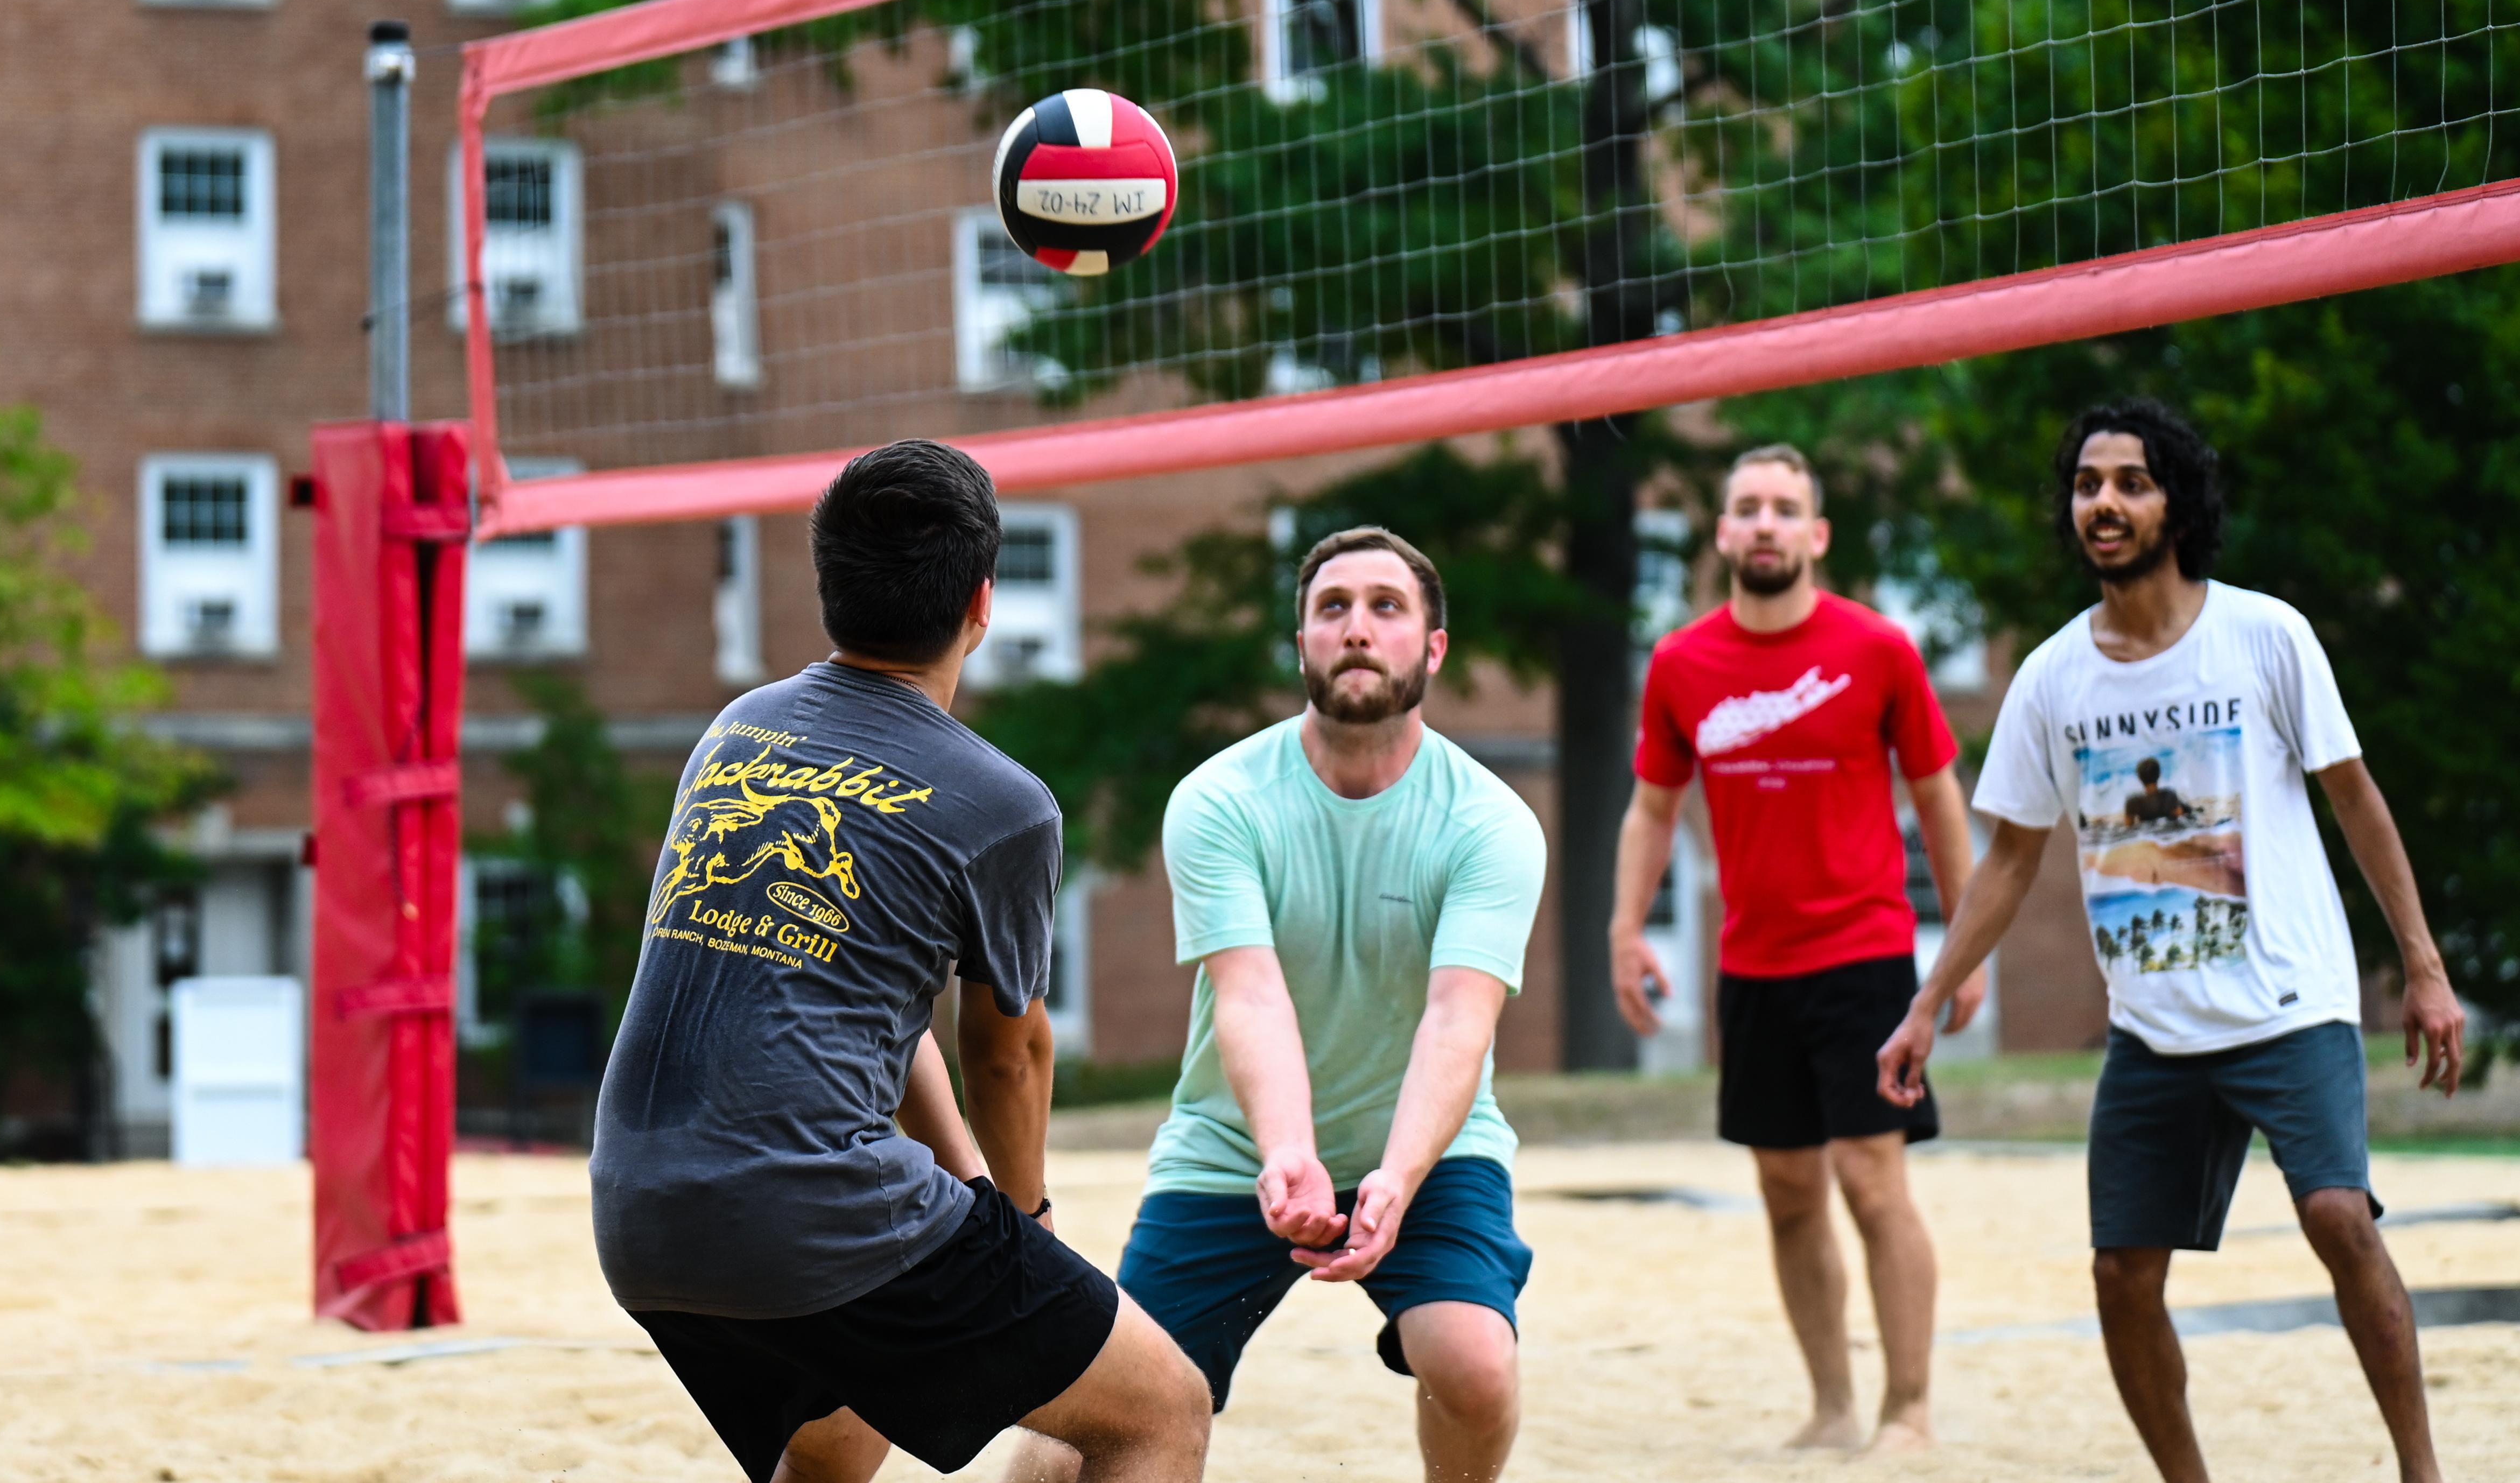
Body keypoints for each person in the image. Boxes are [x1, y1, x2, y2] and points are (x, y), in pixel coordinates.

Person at [589, 439, 1210, 1483]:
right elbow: (1006, 1053)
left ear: (827, 585)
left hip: (640, 1211)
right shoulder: (1002, 801)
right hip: (806, 1211)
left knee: (839, 1435)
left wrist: (966, 1189)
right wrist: (1024, 1228)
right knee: (1160, 1410)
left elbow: (872, 1001)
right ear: (981, 601)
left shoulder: (736, 732)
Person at [1878, 397, 2466, 1483]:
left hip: (2288, 1003)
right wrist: (1925, 1001)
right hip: (2152, 1028)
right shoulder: (2052, 677)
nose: (2102, 501)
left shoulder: (2263, 635)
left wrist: (2423, 968)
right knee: (2117, 1270)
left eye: (2129, 481)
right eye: (2087, 483)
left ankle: (2419, 1469)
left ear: (2175, 502)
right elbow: (2007, 857)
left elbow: (2354, 798)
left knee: (2337, 1213)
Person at [1014, 527, 1546, 1483]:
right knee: (1084, 1422)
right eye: (1331, 608)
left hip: (1429, 1148)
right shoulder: (1220, 799)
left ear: (1432, 649)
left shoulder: (1490, 820)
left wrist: (1394, 1173)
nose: (1356, 629)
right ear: (1299, 643)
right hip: (1233, 1150)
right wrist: (1289, 1155)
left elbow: (1458, 1020)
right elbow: (1250, 996)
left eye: (1387, 608)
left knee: (1474, 1367)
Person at [1609, 442, 1983, 1454]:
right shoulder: (1681, 664)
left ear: (1815, 536)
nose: (1765, 524)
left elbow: (1938, 794)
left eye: (1784, 508)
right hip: (1751, 966)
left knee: (1871, 1180)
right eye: (1747, 508)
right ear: (1723, 533)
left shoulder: (1878, 648)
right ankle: (1829, 1407)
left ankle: (1906, 1408)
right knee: (1785, 1194)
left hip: (1863, 956)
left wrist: (1967, 944)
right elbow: (1652, 807)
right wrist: (1624, 930)